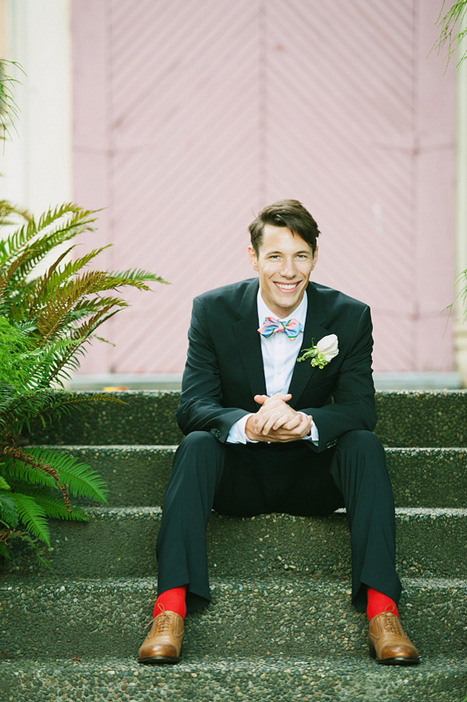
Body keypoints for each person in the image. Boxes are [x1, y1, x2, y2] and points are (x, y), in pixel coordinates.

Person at [137, 199, 420, 666]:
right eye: (275, 256)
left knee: (364, 445)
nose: (288, 271)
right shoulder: (212, 310)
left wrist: (308, 423)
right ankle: (169, 610)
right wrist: (246, 425)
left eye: (301, 256)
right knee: (196, 445)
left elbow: (359, 408)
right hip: (239, 478)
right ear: (254, 258)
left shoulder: (348, 316)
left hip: (310, 477)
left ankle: (383, 612)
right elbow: (193, 405)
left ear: (314, 257)